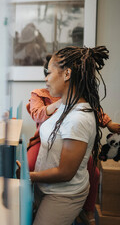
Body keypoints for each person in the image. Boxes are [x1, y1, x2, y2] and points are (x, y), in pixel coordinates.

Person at [18, 46, 110, 225]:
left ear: (67, 74)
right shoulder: (64, 106)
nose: (46, 79)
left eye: (49, 73)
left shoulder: (78, 118)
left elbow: (65, 173)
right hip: (46, 188)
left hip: (63, 195)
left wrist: (29, 175)